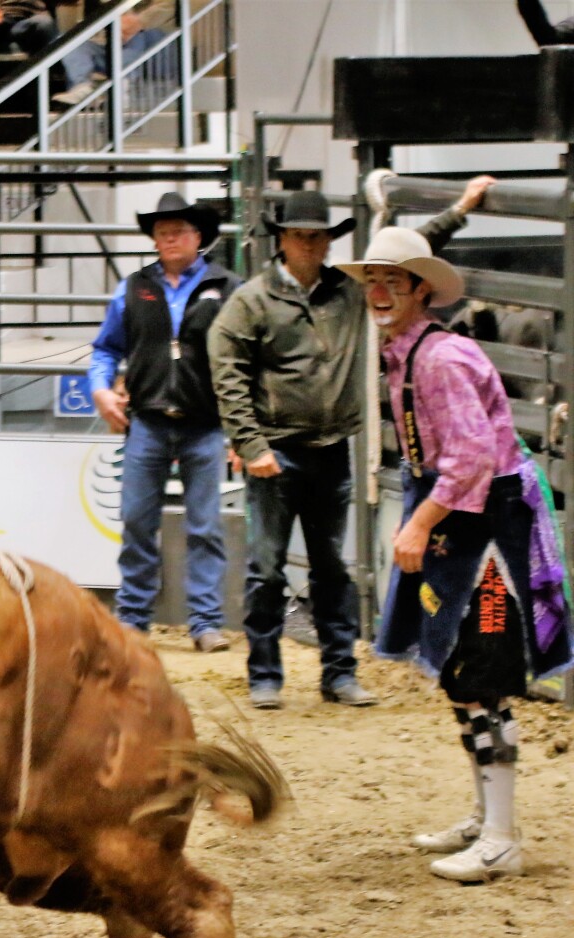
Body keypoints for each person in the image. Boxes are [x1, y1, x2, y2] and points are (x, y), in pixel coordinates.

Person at [340, 226, 574, 884]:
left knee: (479, 673)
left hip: (488, 532)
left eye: (393, 280)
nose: (379, 291)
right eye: (371, 280)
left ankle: (500, 836)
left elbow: (470, 457)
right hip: (469, 522)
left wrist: (418, 523)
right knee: (462, 672)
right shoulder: (407, 353)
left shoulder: (436, 359)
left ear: (420, 289)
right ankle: (486, 816)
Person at [208, 182, 494, 711]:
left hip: (330, 447)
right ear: (283, 241)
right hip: (277, 449)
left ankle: (338, 671)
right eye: (301, 237)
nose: (312, 247)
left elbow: (409, 255)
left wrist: (458, 212)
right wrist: (251, 444)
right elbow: (227, 371)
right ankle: (266, 673)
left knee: (331, 569)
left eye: (319, 238)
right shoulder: (252, 302)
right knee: (268, 569)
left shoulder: (347, 291)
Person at [88, 192, 241, 650]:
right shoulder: (132, 288)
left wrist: (241, 426)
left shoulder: (228, 288)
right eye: (162, 232)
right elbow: (105, 349)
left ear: (199, 237)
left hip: (206, 423)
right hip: (148, 421)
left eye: (178, 231)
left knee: (206, 526)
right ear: (154, 239)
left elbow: (246, 355)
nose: (169, 238)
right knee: (137, 520)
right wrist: (100, 389)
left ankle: (205, 622)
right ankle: (134, 618)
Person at [52, 0, 171, 108]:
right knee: (68, 39)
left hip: (155, 47)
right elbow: (68, 28)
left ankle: (122, 85)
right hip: (107, 47)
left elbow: (171, 5)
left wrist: (139, 21)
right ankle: (82, 87)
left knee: (137, 33)